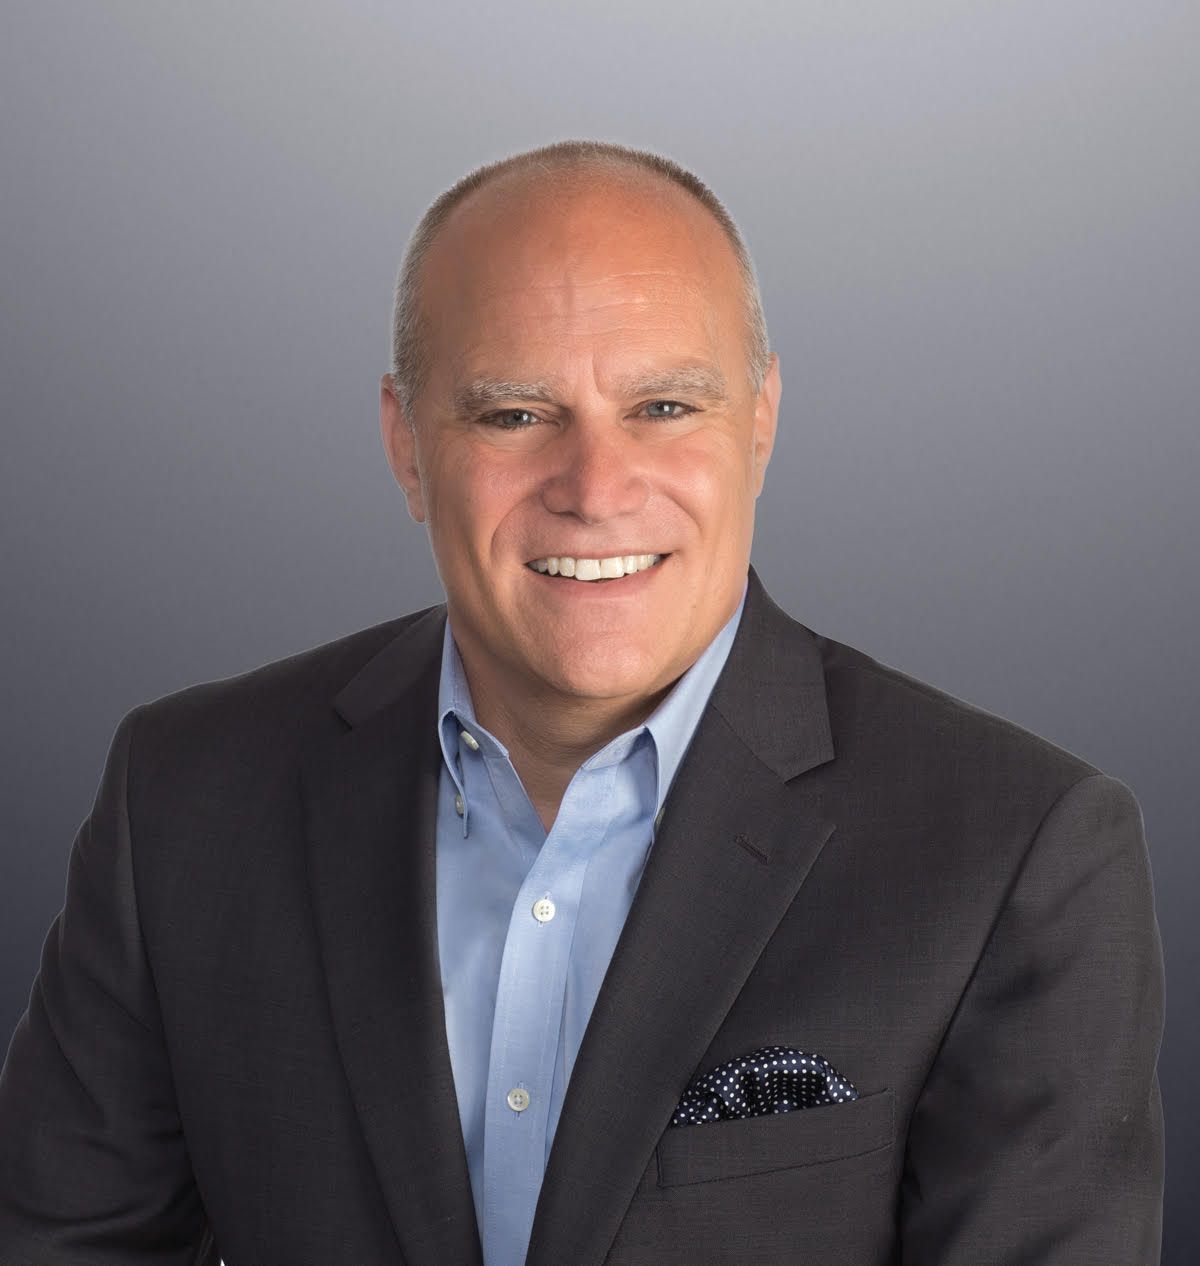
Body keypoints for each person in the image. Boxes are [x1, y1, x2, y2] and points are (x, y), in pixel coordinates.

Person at [0, 139, 1164, 1266]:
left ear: (760, 421)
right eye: (513, 414)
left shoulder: (1016, 850)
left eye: (664, 409)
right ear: (407, 445)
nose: (596, 489)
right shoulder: (188, 797)